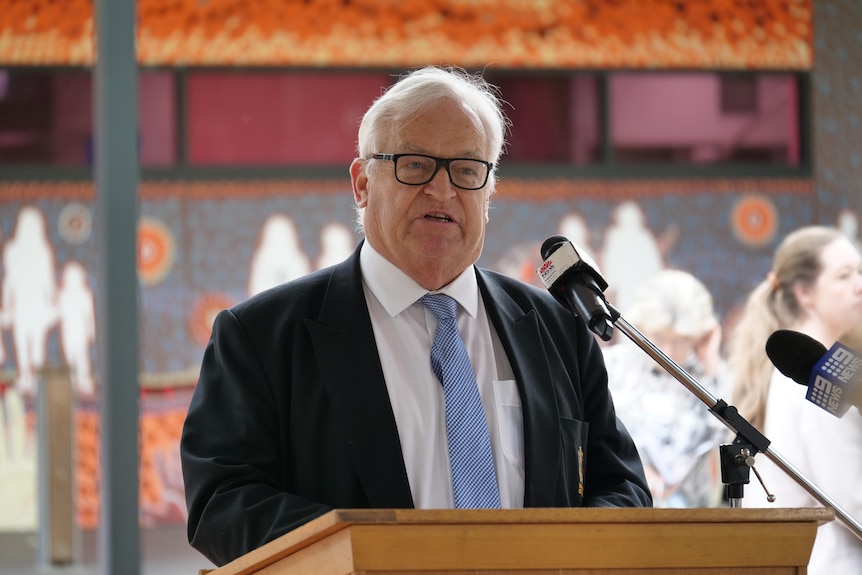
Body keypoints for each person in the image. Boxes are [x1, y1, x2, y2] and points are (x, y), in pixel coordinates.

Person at [180, 65, 651, 567]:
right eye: (415, 164)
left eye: (467, 169)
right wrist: (386, 557)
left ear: (488, 192)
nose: (443, 190)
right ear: (362, 183)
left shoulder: (555, 329)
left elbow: (620, 487)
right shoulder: (262, 337)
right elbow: (222, 503)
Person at [727, 225, 862, 575]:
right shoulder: (818, 374)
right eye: (844, 276)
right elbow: (853, 504)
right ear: (805, 292)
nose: (860, 285)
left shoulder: (819, 367)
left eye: (860, 272)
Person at [603, 269, 727, 508]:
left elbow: (722, 439)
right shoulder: (612, 365)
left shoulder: (710, 377)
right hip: (623, 509)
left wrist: (711, 369)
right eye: (659, 338)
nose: (668, 352)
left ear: (700, 336)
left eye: (681, 341)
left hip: (689, 518)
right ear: (640, 327)